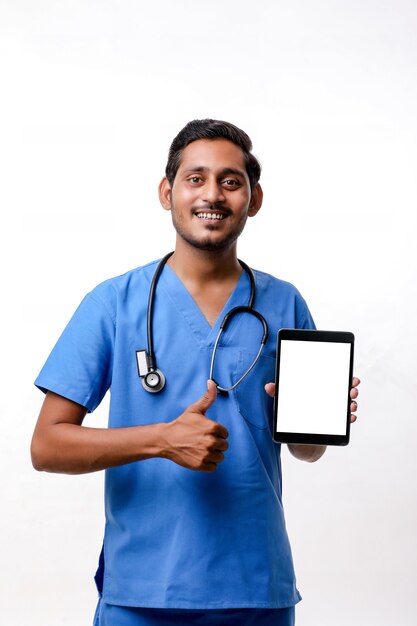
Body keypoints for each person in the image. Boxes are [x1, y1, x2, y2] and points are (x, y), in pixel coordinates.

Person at [31, 119, 360, 626]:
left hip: (256, 589)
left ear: (254, 200)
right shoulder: (113, 304)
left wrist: (319, 419)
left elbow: (307, 450)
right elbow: (47, 446)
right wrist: (162, 439)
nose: (213, 194)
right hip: (142, 590)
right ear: (167, 192)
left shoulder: (284, 302)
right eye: (195, 178)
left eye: (231, 182)